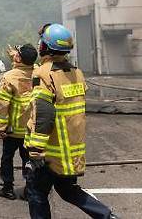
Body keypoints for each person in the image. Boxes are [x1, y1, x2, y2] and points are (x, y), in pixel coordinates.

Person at [24, 23, 117, 219]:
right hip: (70, 153)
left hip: (50, 153)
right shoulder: (76, 73)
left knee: (37, 194)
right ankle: (106, 216)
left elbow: (44, 113)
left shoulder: (44, 74)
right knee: (69, 191)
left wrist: (35, 151)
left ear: (45, 47)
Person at [0, 43, 39, 200]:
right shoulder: (38, 72)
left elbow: (1, 104)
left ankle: (7, 188)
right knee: (28, 159)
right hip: (30, 130)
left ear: (19, 58)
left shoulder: (9, 77)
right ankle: (29, 189)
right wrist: (16, 54)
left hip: (12, 130)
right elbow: (27, 64)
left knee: (7, 157)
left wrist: (0, 126)